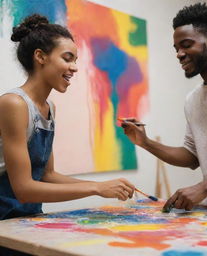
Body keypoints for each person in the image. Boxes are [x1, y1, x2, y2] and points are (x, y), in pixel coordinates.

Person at [121, 2, 207, 214]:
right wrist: (145, 142)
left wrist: (202, 188)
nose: (179, 54)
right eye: (176, 48)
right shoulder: (193, 99)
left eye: (186, 45)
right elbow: (192, 156)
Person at [0, 13, 135, 222]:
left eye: (75, 60)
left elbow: (48, 175)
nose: (74, 67)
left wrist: (107, 186)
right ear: (40, 56)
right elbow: (24, 189)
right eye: (67, 58)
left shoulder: (49, 108)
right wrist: (96, 188)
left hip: (26, 219)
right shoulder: (14, 103)